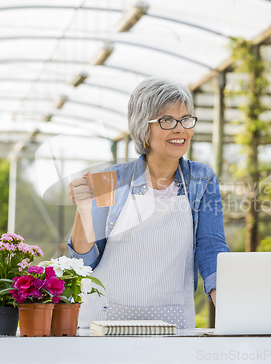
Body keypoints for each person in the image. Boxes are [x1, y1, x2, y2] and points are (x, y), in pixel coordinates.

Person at [67, 77, 229, 330]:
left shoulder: (202, 179)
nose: (180, 129)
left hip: (172, 322)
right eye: (167, 121)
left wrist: (231, 306)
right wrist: (84, 209)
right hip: (104, 321)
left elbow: (210, 247)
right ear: (144, 129)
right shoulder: (108, 180)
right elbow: (84, 261)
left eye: (186, 119)